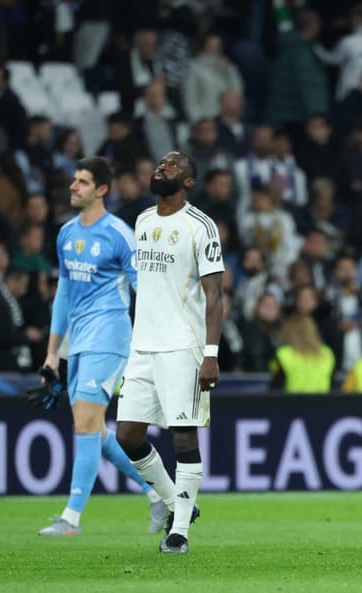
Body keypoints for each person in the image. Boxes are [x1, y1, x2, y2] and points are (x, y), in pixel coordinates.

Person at [37, 157, 166, 537]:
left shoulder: (119, 234)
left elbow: (145, 290)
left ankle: (71, 518)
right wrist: (52, 352)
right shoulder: (66, 234)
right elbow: (63, 294)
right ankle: (159, 493)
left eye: (82, 181)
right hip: (78, 341)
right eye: (74, 180)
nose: (73, 186)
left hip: (110, 338)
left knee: (85, 423)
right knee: (96, 430)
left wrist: (153, 341)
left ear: (102, 190)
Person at [116, 151, 224, 554]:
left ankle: (178, 532)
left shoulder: (201, 226)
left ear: (189, 182)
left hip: (183, 345)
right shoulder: (143, 221)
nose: (161, 168)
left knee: (183, 434)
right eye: (160, 164)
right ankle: (177, 502)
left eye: (172, 166)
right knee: (127, 435)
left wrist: (210, 353)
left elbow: (215, 295)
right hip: (142, 345)